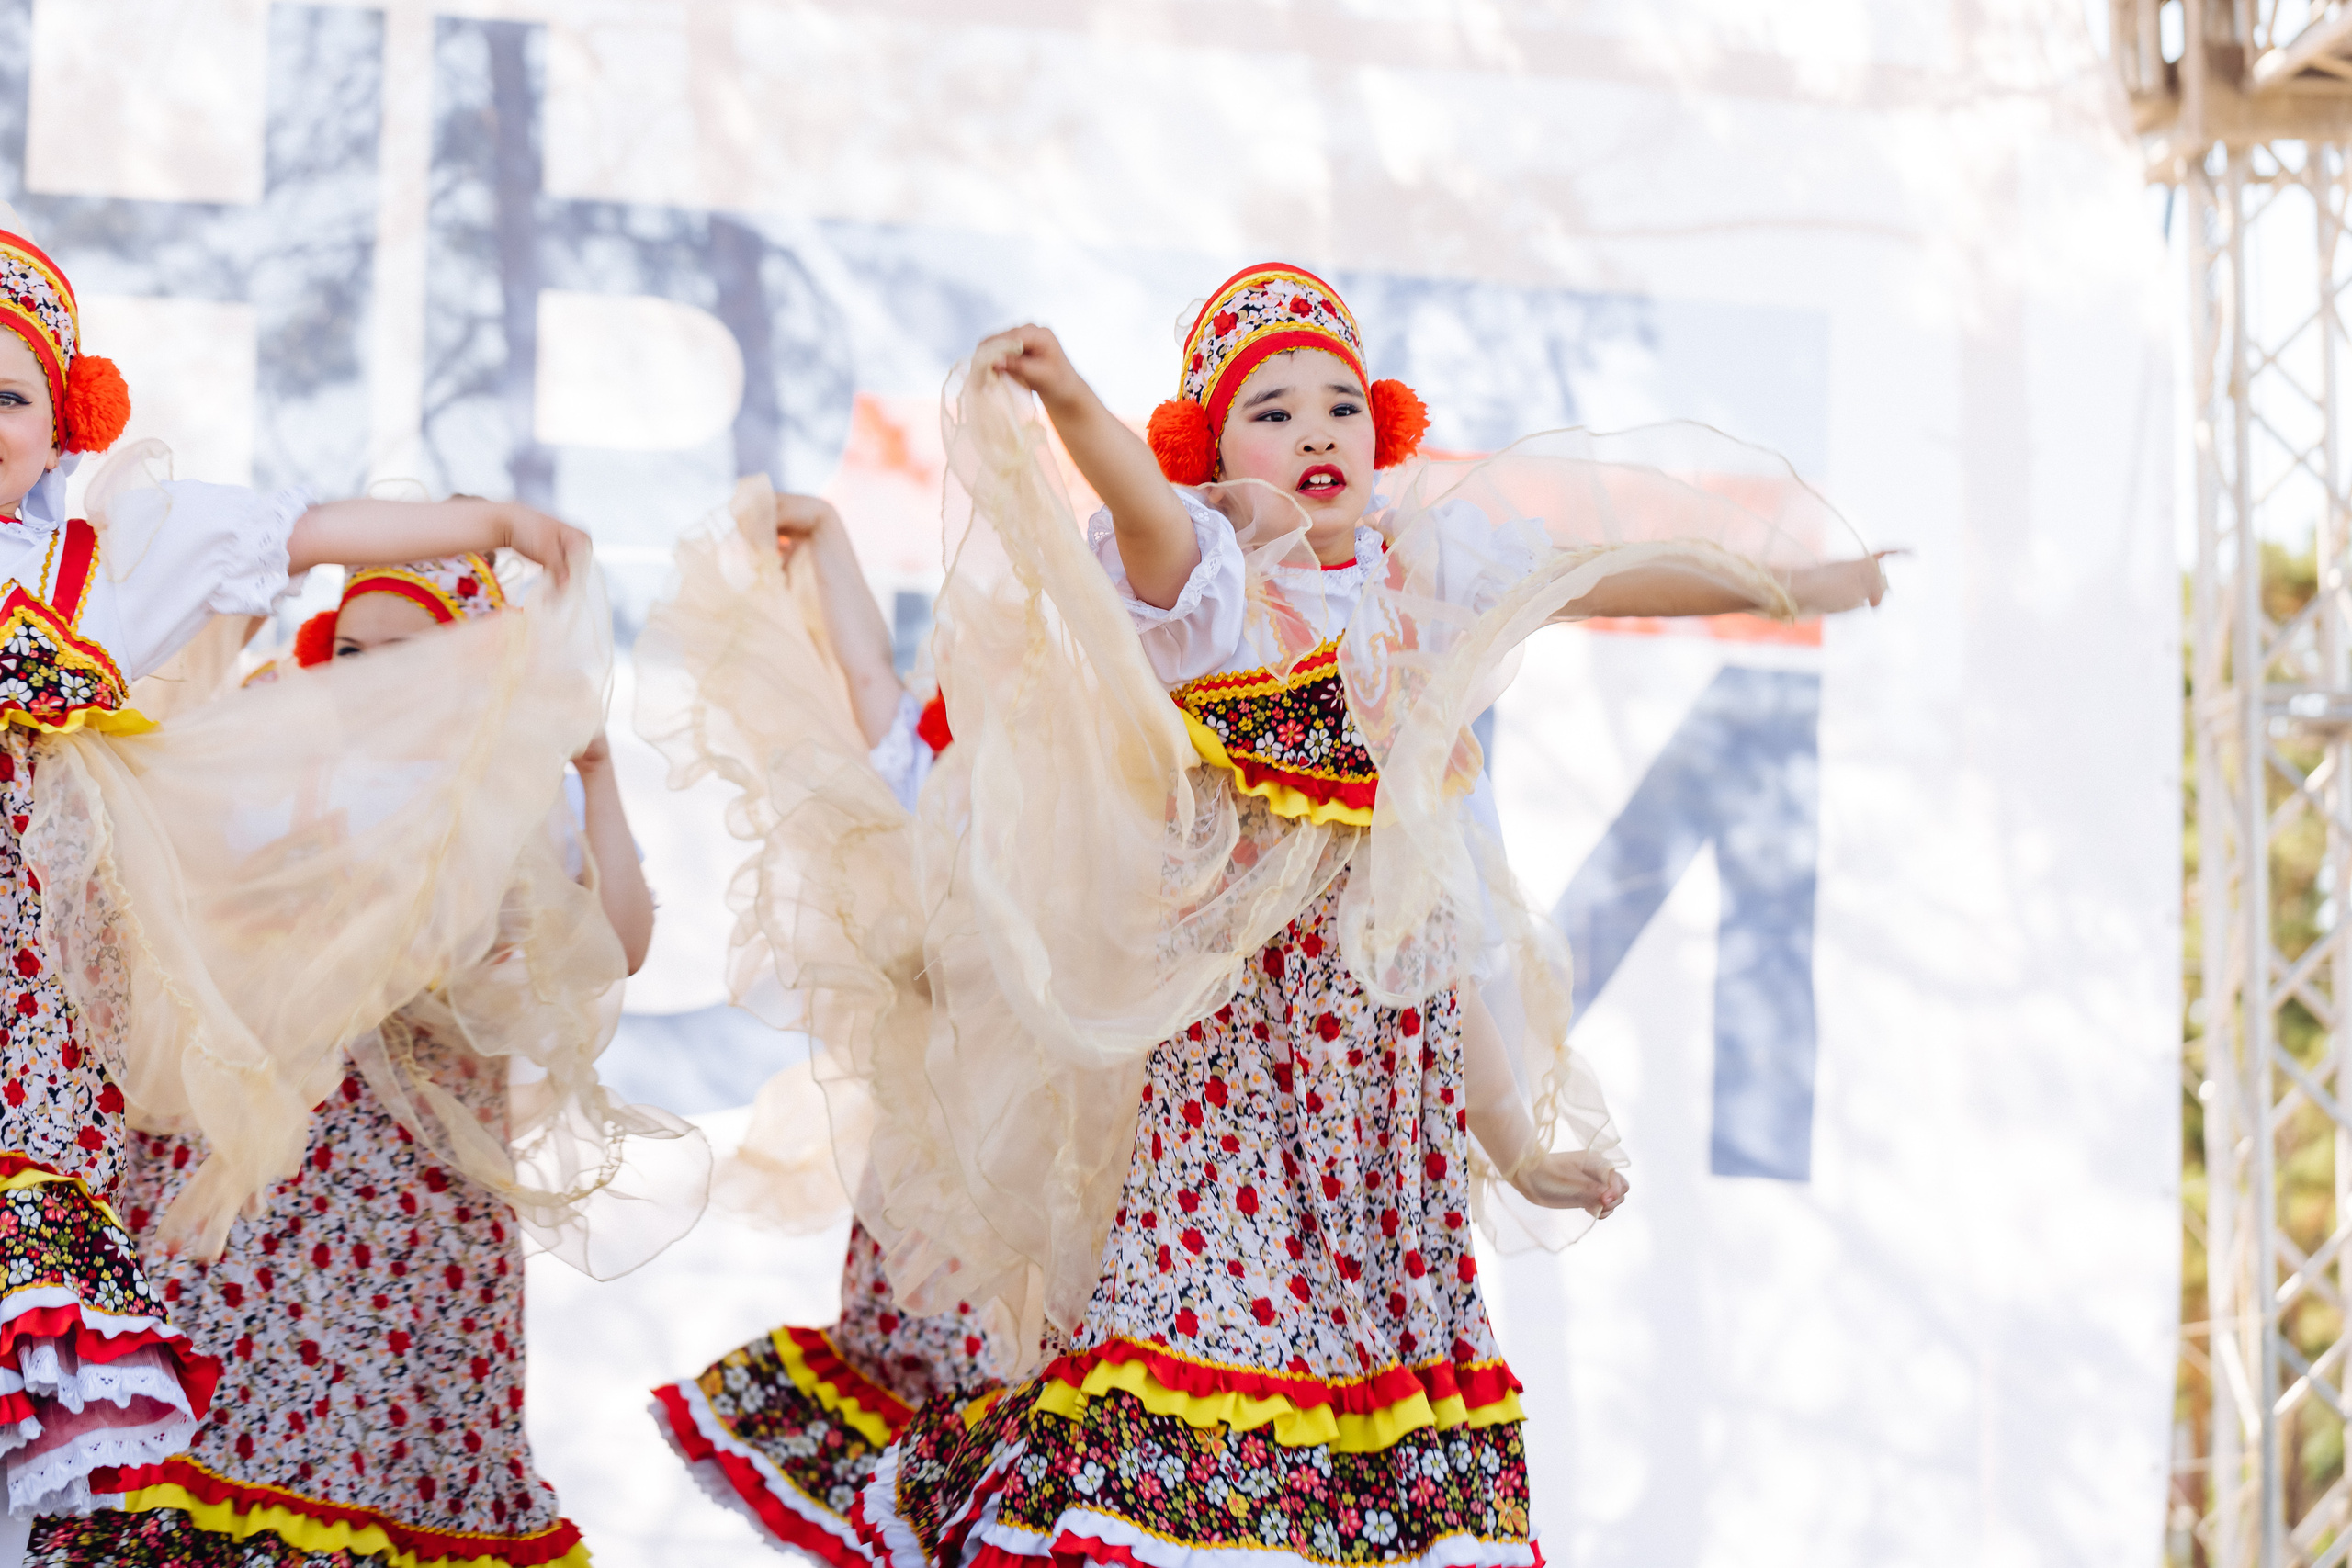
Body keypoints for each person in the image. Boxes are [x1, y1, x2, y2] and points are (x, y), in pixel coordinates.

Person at [817, 263, 1888, 1562]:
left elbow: (1578, 596)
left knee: (1360, 1493)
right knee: (1173, 1437)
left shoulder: (1412, 623)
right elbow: (1146, 516)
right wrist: (1076, 402)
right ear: (1213, 453)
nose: (1317, 429)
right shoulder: (1213, 603)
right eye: (1271, 409)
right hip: (1222, 1117)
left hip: (1380, 1158)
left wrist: (1789, 586)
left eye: (1341, 404)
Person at [0, 207, 598, 1553]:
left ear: (62, 421)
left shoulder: (91, 572)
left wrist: (492, 515)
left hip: (23, 1025)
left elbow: (307, 528)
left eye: (10, 391)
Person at [25, 554, 666, 1568]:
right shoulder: (281, 766)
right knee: (224, 1430)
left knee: (393, 1436)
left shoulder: (505, 792)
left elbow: (618, 944)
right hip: (269, 1174)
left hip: (422, 1193)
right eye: (349, 650)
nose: (365, 675)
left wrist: (594, 772)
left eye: (397, 656)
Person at [639, 483, 1005, 1565]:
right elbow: (863, 680)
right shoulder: (934, 767)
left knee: (1017, 1393)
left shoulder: (1097, 793)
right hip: (933, 1135)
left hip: (1047, 1143)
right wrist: (832, 542)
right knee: (915, 1369)